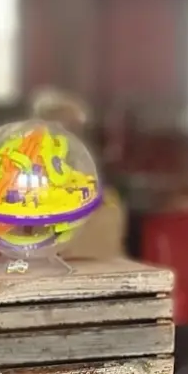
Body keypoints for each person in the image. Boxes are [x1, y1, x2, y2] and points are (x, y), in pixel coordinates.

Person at [30, 87, 128, 262]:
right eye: (65, 125)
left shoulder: (101, 190)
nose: (71, 134)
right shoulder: (27, 175)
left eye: (76, 128)